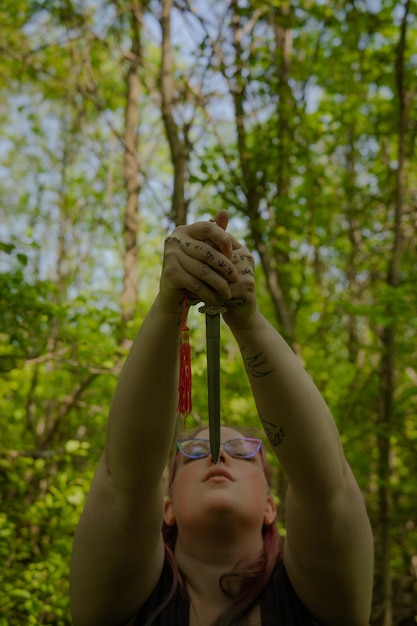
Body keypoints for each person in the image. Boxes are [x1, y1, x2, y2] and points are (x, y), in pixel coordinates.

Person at [70, 211, 374, 626]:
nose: (218, 456)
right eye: (192, 452)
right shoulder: (125, 600)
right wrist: (167, 305)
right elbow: (124, 482)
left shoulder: (313, 599)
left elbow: (327, 487)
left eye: (244, 452)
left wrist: (247, 319)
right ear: (168, 509)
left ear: (271, 508)